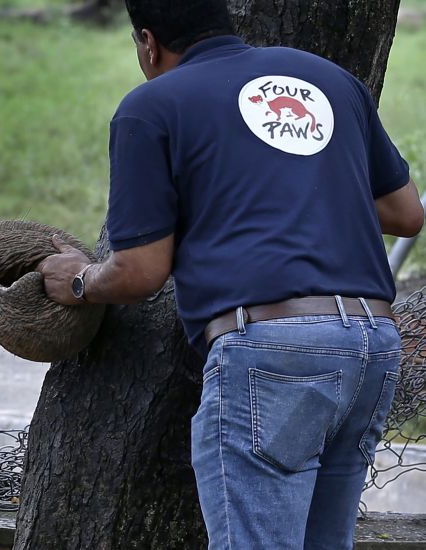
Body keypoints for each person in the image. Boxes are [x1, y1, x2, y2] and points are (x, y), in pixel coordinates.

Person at [36, 0, 424, 548]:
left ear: (147, 43)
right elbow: (406, 213)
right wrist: (308, 187)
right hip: (371, 346)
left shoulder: (150, 108)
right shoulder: (331, 80)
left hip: (273, 354)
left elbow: (140, 272)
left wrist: (79, 280)